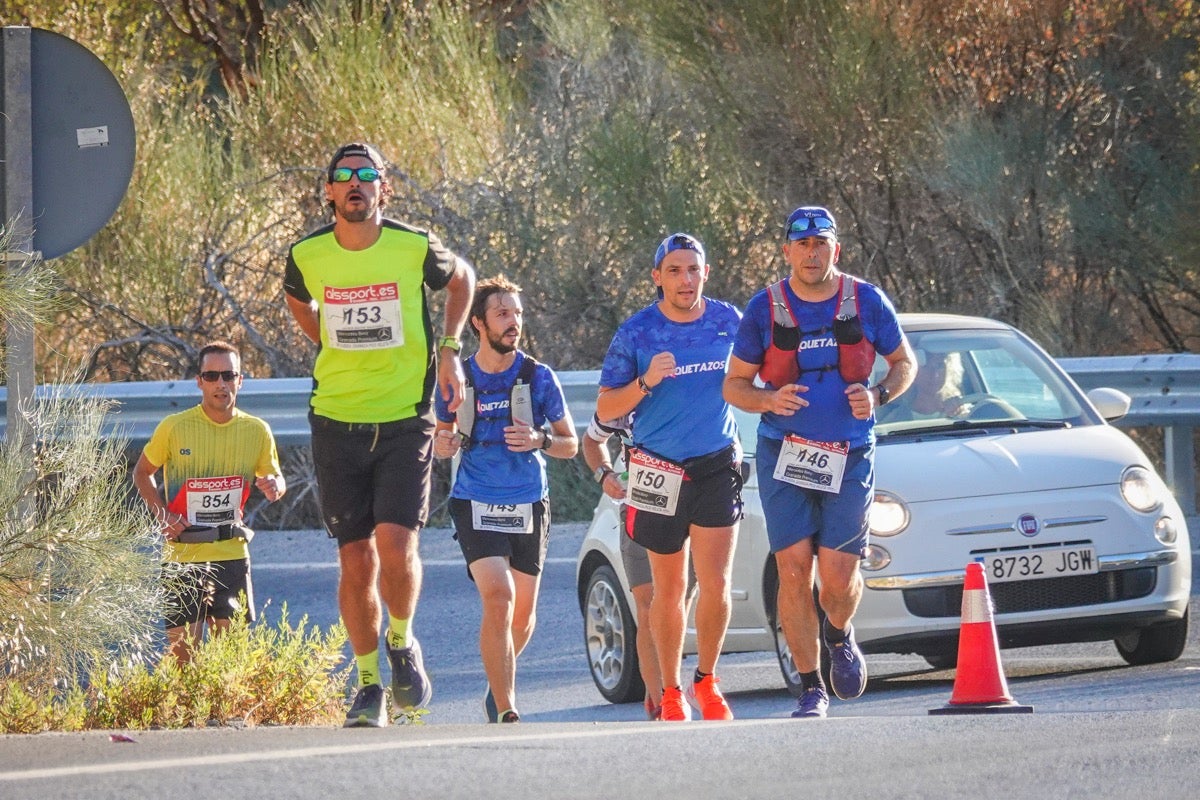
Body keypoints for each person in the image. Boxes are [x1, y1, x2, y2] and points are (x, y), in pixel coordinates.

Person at [283, 142, 475, 728]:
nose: (355, 185)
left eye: (367, 176)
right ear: (330, 193)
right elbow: (297, 297)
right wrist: (329, 340)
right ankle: (368, 684)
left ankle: (401, 641)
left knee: (396, 544)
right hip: (336, 416)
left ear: (383, 190)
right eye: (344, 177)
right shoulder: (309, 252)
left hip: (403, 415)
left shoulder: (412, 245)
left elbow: (462, 278)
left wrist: (448, 350)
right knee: (355, 561)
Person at [723, 206, 916, 718]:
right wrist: (767, 401)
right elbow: (733, 385)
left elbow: (904, 363)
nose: (811, 253)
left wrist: (878, 395)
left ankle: (838, 632)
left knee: (836, 577)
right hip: (784, 454)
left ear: (836, 249)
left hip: (849, 454)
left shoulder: (867, 300)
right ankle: (811, 686)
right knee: (792, 570)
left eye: (821, 243)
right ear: (787, 251)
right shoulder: (763, 309)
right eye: (801, 244)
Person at [596, 232, 743, 722]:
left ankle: (707, 680)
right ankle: (672, 689)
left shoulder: (728, 321)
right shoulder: (637, 333)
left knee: (717, 582)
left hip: (716, 463)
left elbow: (754, 379)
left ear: (706, 273)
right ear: (657, 277)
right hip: (658, 471)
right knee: (668, 588)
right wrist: (645, 382)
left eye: (693, 269)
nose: (685, 279)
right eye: (675, 271)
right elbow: (605, 407)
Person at [432, 275, 577, 724]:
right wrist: (443, 446)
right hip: (475, 498)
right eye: (502, 314)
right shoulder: (459, 379)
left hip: (529, 500)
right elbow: (438, 436)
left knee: (523, 617)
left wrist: (538, 439)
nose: (513, 322)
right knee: (499, 596)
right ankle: (508, 705)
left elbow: (570, 443)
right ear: (478, 322)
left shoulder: (538, 377)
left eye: (517, 313)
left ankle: (497, 682)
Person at [133, 341, 286, 664]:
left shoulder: (257, 430)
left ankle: (224, 717)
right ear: (199, 381)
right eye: (212, 375)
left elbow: (275, 476)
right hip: (182, 555)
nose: (221, 383)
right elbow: (142, 473)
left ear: (240, 380)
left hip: (231, 553)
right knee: (182, 659)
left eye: (228, 375)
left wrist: (275, 486)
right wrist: (163, 516)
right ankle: (184, 716)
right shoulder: (175, 427)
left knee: (228, 660)